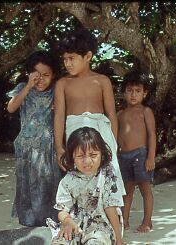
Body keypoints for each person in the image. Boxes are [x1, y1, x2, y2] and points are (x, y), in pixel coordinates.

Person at [54, 28, 126, 198]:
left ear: (87, 56)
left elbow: (112, 116)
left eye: (72, 59)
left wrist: (113, 146)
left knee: (108, 179)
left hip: (102, 134)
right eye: (65, 59)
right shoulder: (63, 84)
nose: (67, 64)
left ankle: (113, 220)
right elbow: (58, 116)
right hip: (75, 136)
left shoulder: (102, 81)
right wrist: (59, 148)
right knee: (80, 179)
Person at [6, 50, 62, 227]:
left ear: (53, 75)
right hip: (26, 147)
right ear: (29, 74)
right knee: (26, 182)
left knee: (49, 181)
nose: (41, 80)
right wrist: (28, 86)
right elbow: (11, 108)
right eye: (37, 75)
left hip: (49, 146)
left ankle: (51, 219)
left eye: (46, 75)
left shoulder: (56, 90)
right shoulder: (23, 88)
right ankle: (30, 221)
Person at [51, 127, 124, 245]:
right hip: (74, 224)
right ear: (72, 157)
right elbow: (62, 209)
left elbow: (110, 207)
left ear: (102, 154)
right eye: (80, 156)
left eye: (93, 155)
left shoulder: (106, 175)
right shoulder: (68, 181)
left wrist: (118, 239)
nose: (87, 161)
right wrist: (67, 221)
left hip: (101, 225)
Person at [117, 71, 156, 233]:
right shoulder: (120, 114)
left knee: (145, 189)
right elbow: (116, 136)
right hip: (123, 156)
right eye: (130, 90)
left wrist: (151, 157)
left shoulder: (145, 111)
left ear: (145, 93)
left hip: (141, 154)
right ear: (124, 92)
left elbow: (152, 134)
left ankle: (147, 221)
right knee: (127, 191)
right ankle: (124, 222)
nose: (133, 94)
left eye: (138, 91)